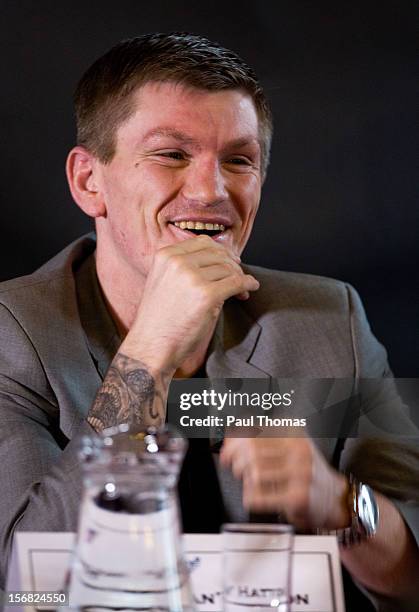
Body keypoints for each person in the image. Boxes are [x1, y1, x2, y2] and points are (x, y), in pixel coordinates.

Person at [0, 33, 418, 610]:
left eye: (238, 160)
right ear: (88, 181)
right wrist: (153, 349)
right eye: (171, 154)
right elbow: (24, 586)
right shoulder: (11, 333)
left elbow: (413, 574)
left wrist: (342, 504)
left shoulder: (330, 320)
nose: (211, 190)